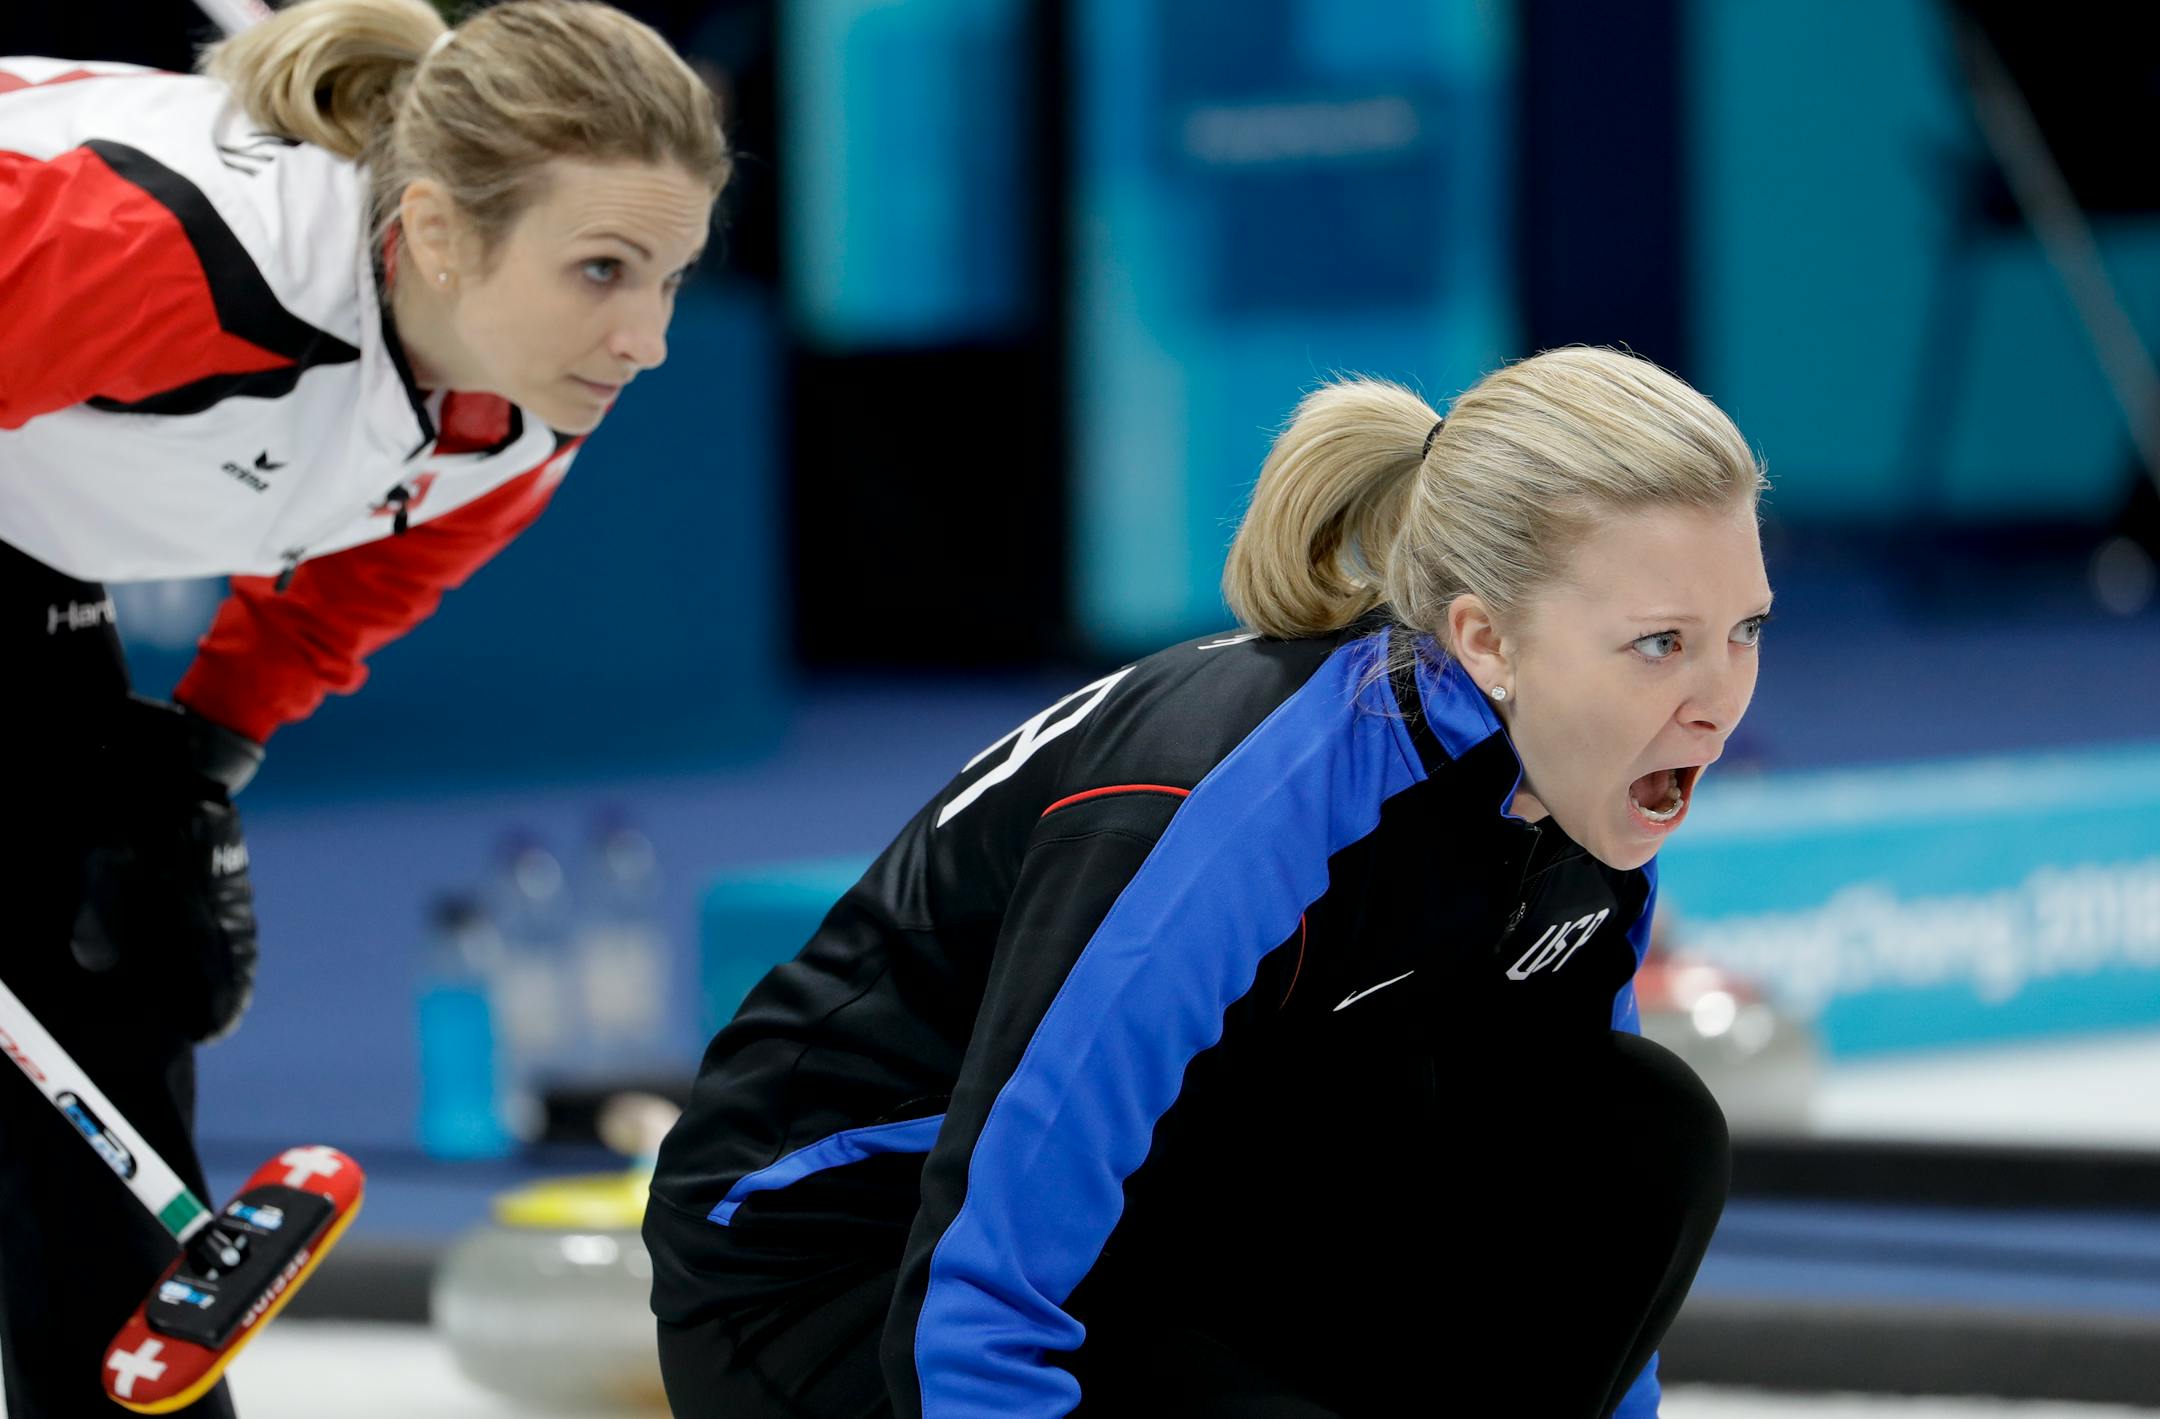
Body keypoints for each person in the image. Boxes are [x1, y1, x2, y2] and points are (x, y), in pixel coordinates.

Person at [645, 346, 1773, 1417]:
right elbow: (984, 1265)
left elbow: (1565, 1240)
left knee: (1631, 1130)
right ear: (1486, 641)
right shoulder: (1232, 803)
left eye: (1745, 631)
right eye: (1662, 643)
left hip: (1155, 1226)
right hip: (844, 1274)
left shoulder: (1577, 789)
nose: (1719, 700)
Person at [0, 1, 728, 1411]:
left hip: (27, 505)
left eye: (673, 277)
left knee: (100, 976)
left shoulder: (530, 396)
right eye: (600, 271)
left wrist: (190, 764)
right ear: (442, 232)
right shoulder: (154, 250)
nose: (644, 337)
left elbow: (355, 579)